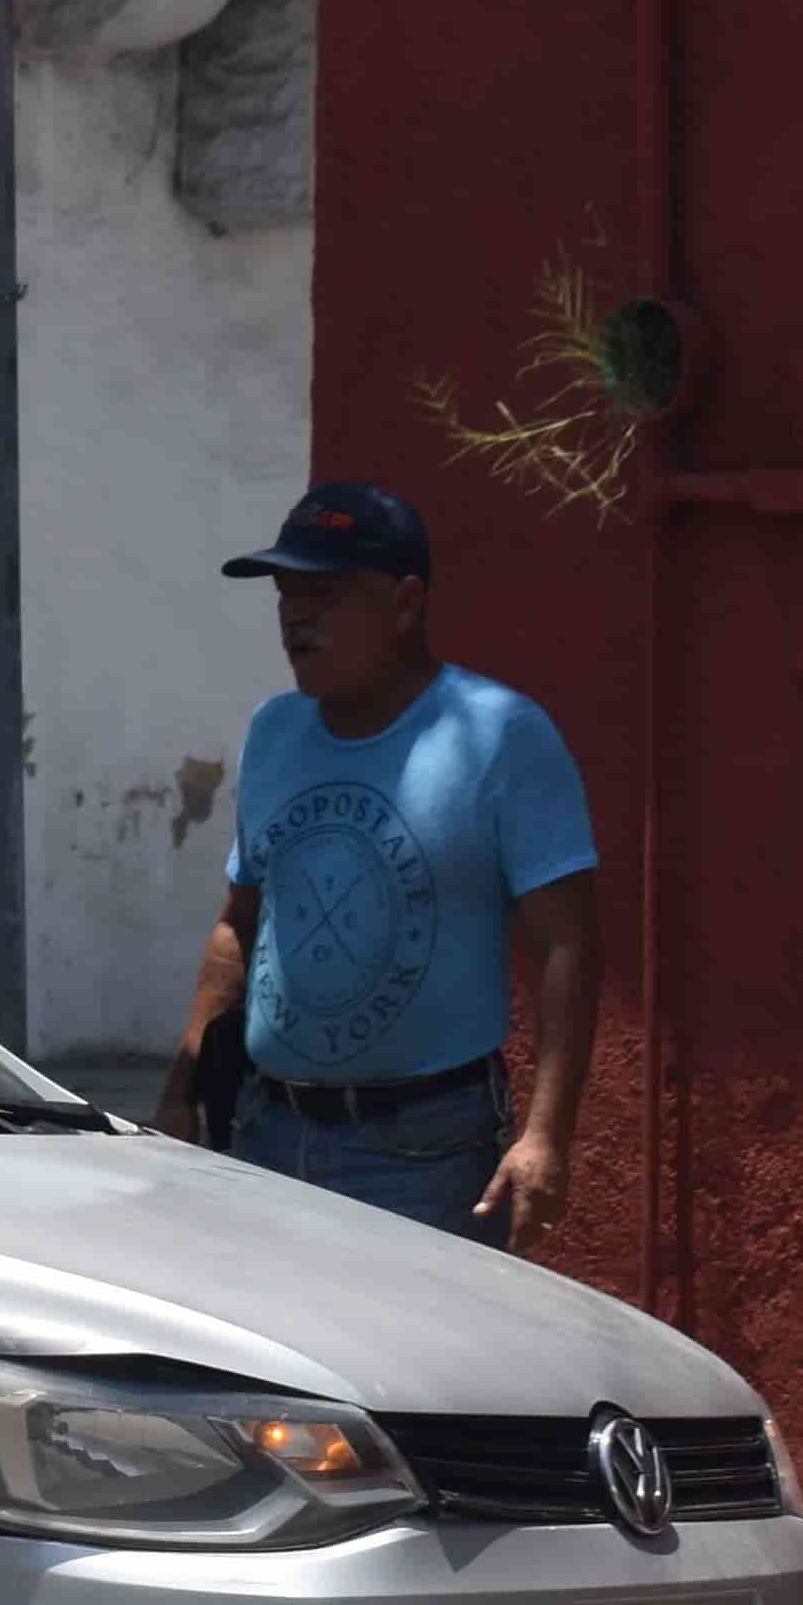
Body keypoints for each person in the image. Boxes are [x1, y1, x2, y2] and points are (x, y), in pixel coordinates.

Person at [155, 481, 600, 1245]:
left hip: (424, 1154)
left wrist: (546, 1136)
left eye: (325, 593)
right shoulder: (275, 731)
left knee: (421, 1364)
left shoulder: (502, 736)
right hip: (263, 1134)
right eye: (287, 593)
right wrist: (182, 1089)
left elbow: (569, 942)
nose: (297, 615)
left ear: (404, 605)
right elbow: (240, 921)